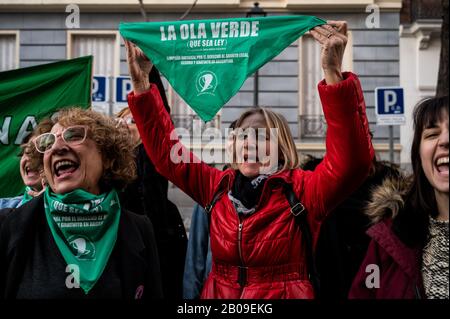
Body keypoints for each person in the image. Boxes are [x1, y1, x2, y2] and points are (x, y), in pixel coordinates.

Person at [125, 20, 374, 299]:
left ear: (282, 149)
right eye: (242, 135)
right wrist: (141, 85)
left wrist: (332, 73)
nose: (249, 143)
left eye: (262, 136)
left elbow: (353, 163)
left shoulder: (304, 190)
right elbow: (165, 155)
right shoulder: (216, 187)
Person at [0, 107, 163, 299]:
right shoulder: (10, 226)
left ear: (108, 157)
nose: (57, 147)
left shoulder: (139, 229)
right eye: (49, 142)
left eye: (74, 135)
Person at [349, 96, 449, 299]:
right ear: (419, 157)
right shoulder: (389, 239)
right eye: (432, 134)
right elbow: (365, 292)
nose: (445, 140)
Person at [116, 105, 187, 299]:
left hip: (155, 259)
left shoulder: (152, 162)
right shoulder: (107, 165)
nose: (125, 126)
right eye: (121, 120)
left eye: (133, 121)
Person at [0, 120, 52, 209]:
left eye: (40, 154)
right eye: (27, 152)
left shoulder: (76, 211)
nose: (30, 159)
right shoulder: (2, 206)